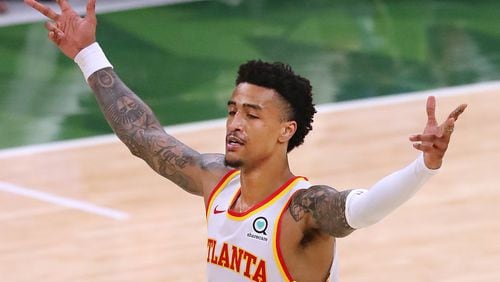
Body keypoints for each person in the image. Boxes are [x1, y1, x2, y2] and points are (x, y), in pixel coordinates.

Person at [24, 0, 467, 281]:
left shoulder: (303, 209)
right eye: (233, 110)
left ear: (285, 131)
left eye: (252, 114)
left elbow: (362, 209)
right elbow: (144, 136)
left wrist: (422, 167)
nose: (235, 122)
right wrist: (87, 54)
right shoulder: (216, 180)